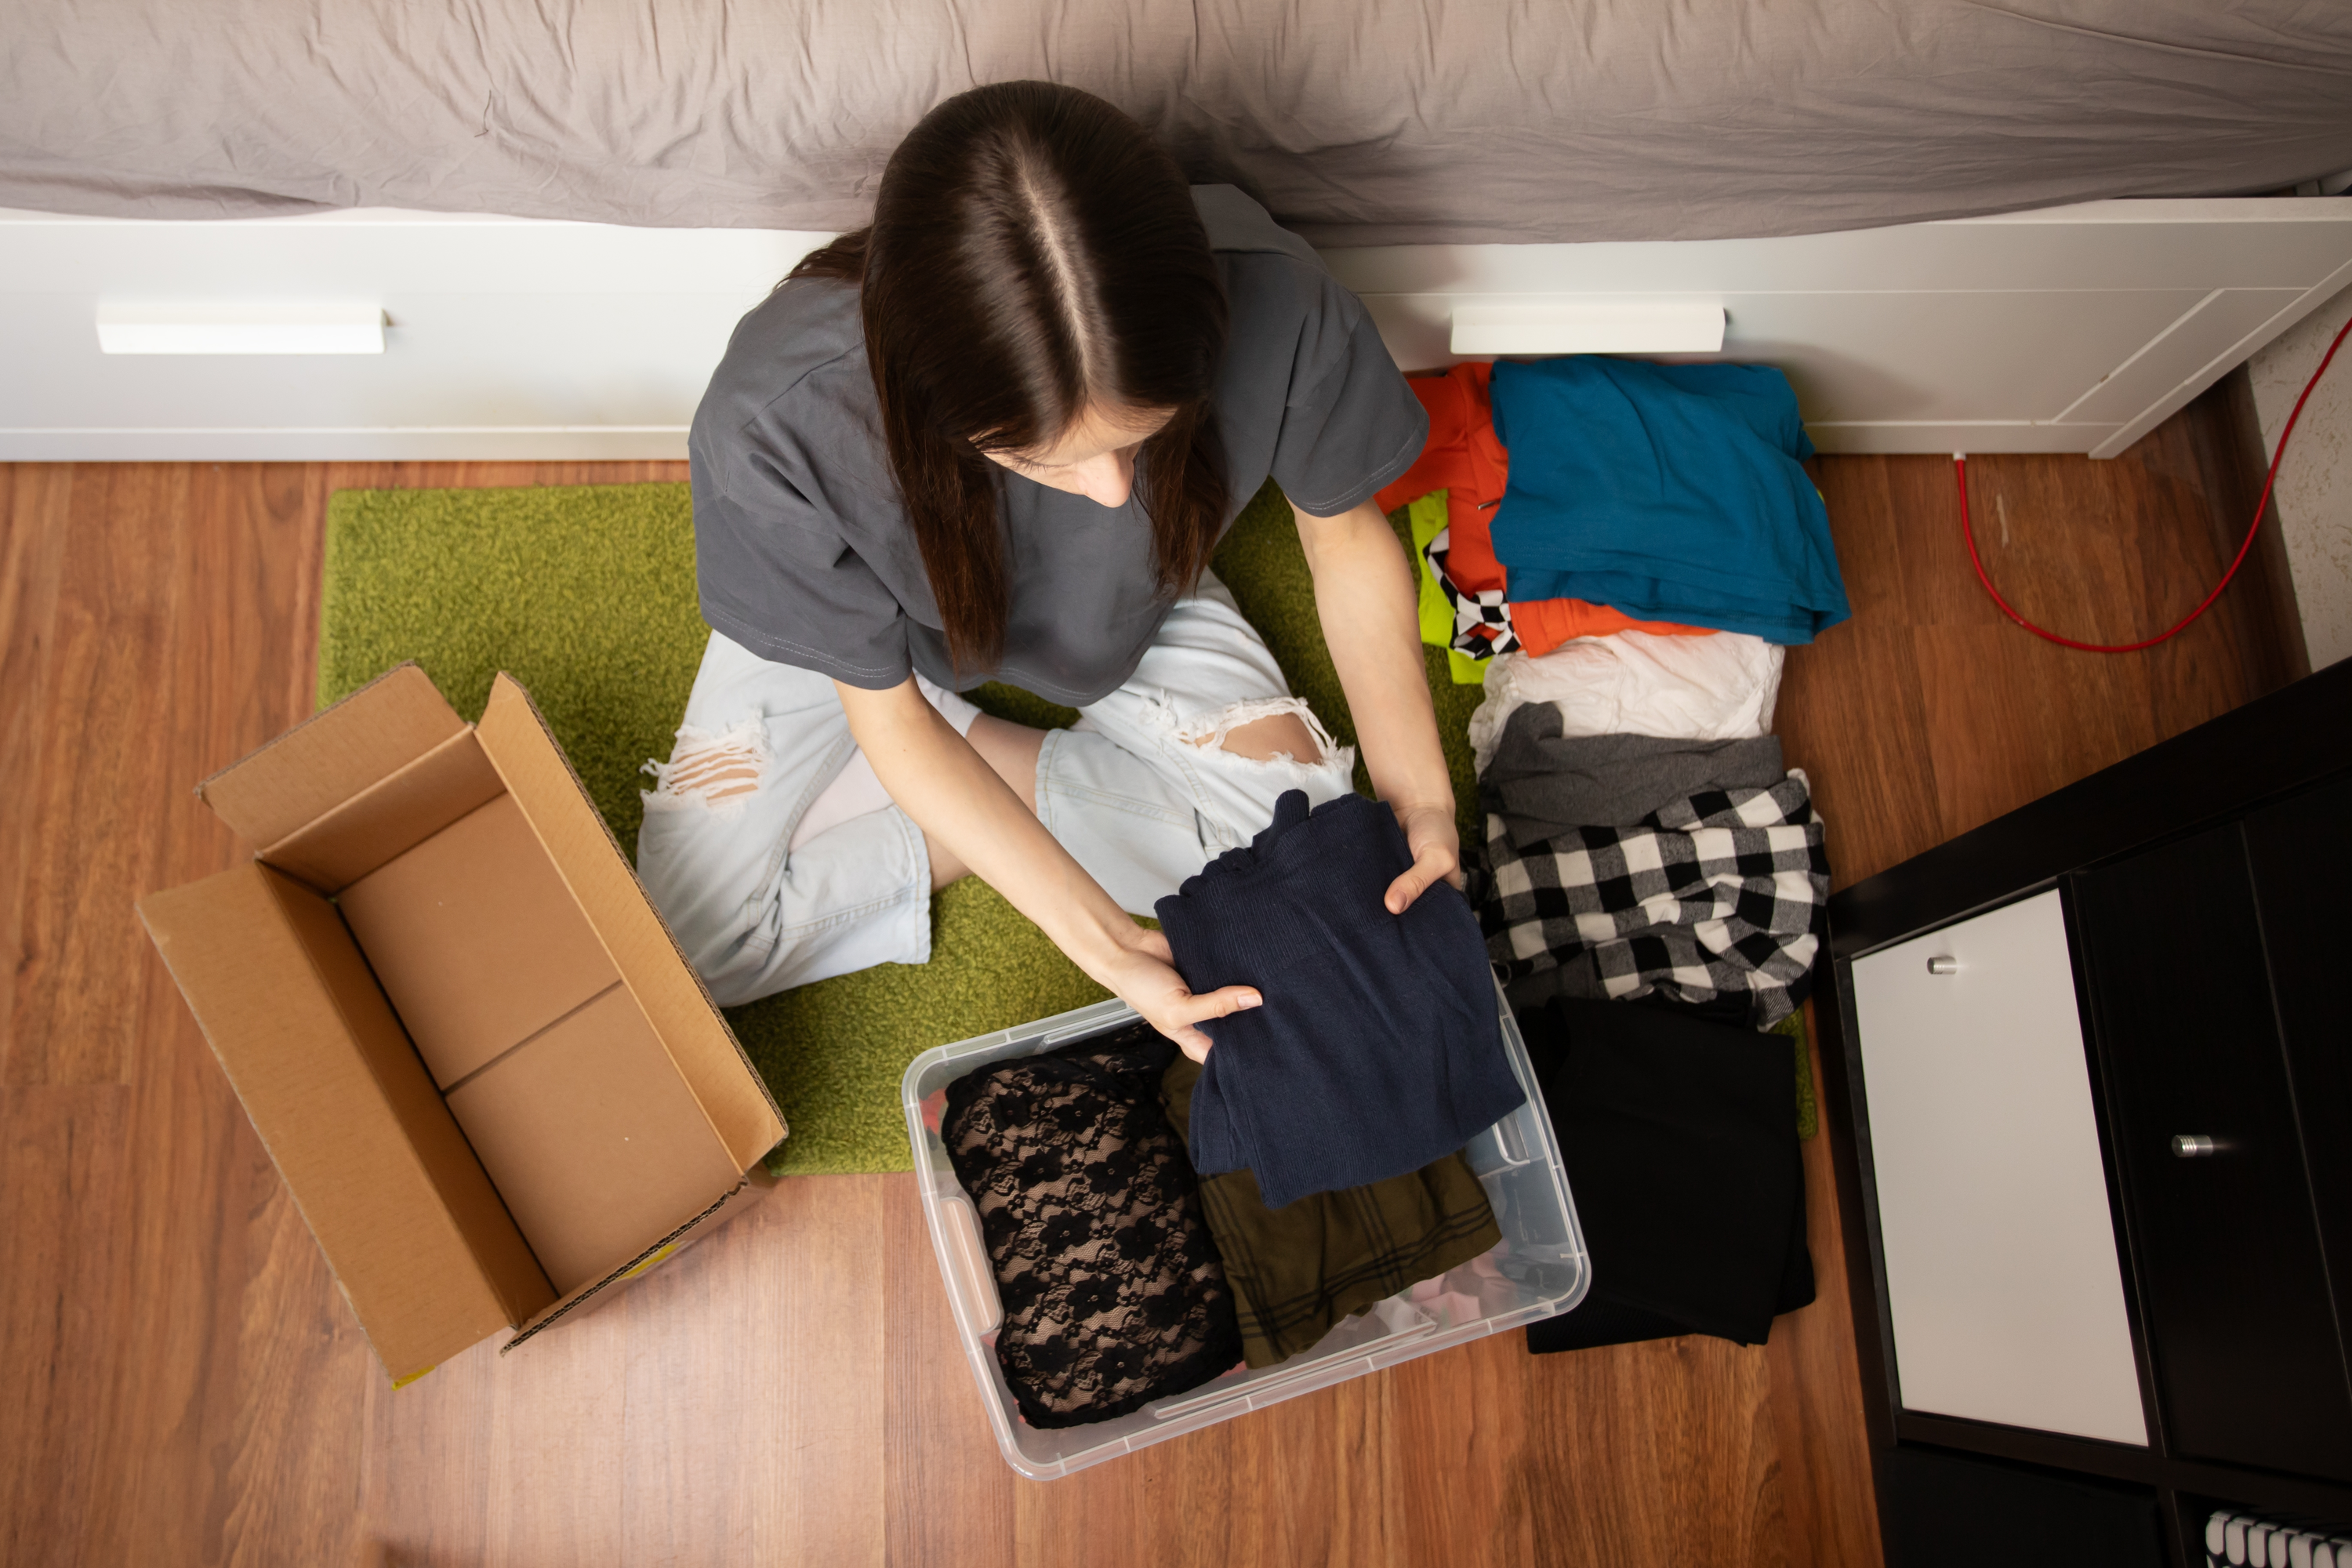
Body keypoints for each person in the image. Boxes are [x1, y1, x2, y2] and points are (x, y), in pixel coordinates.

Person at [637, 81, 1454, 1059]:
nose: (1110, 492)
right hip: (854, 627)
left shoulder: (1277, 294)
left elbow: (1346, 538)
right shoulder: (777, 425)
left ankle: (977, 769)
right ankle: (967, 782)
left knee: (1325, 864)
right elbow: (882, 713)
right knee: (686, 952)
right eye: (1042, 458)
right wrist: (1105, 941)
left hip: (1141, 595)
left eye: (1137, 440)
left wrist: (1423, 799)